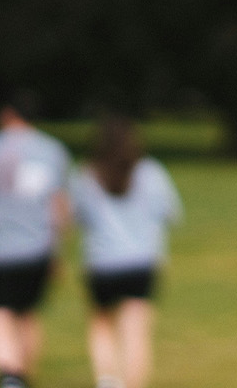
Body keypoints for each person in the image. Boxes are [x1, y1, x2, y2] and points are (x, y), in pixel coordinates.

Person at [0, 93, 72, 388]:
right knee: (27, 314)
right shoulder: (52, 150)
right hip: (37, 248)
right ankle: (23, 372)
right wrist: (58, 249)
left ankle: (9, 374)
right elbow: (60, 208)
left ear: (8, 114)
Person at [69, 115, 182, 388]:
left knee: (102, 326)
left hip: (101, 263)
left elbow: (74, 218)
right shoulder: (151, 172)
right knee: (136, 334)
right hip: (142, 262)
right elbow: (172, 213)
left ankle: (108, 380)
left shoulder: (86, 175)